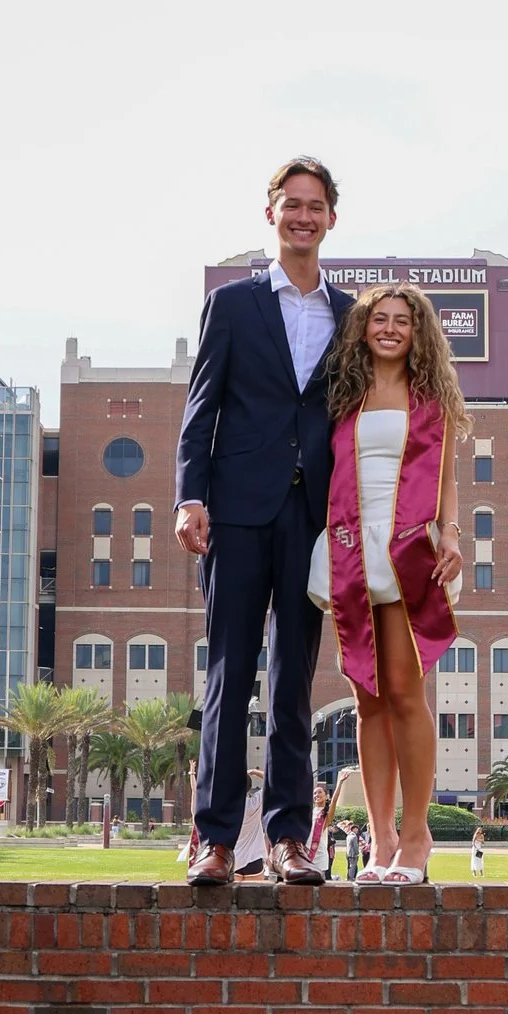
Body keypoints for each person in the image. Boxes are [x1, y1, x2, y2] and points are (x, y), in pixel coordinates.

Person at [175, 155, 353, 888]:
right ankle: (216, 841)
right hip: (238, 509)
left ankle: (286, 837)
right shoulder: (232, 305)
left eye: (316, 206)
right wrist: (190, 497)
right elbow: (201, 408)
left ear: (332, 218)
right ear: (271, 212)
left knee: (293, 682)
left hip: (311, 518)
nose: (303, 216)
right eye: (292, 204)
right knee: (229, 671)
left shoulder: (352, 315)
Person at [309, 282, 466, 886]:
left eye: (403, 320)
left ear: (417, 331)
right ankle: (381, 841)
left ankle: (417, 835)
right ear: (364, 328)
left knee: (403, 690)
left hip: (409, 546)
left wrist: (451, 534)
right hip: (350, 544)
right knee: (366, 698)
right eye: (380, 318)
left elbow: (446, 477)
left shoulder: (431, 398)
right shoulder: (342, 393)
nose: (391, 328)